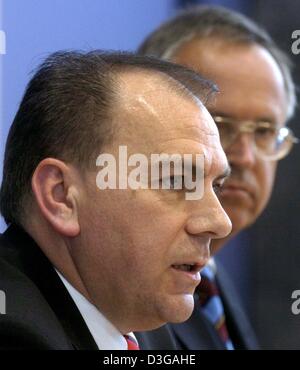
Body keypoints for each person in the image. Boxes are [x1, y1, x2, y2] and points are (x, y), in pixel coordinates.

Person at [0, 51, 232, 349]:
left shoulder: (143, 321)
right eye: (175, 181)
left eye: (217, 185)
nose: (220, 222)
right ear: (61, 196)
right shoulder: (15, 334)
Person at [137, 5, 298, 349]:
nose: (244, 156)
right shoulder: (120, 292)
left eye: (265, 131)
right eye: (217, 126)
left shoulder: (210, 276)